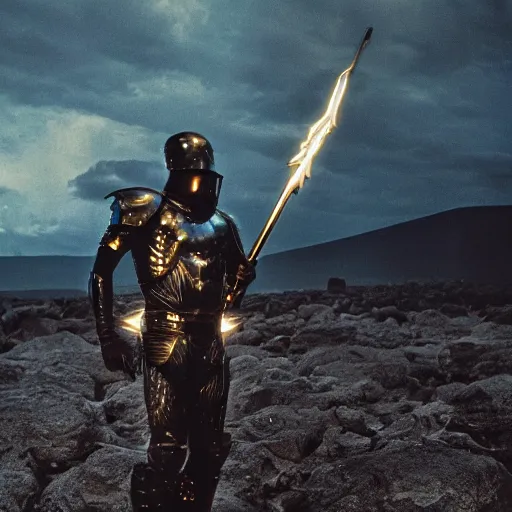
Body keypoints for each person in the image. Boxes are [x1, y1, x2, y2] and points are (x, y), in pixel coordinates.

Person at [88, 132, 256, 511]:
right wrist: (107, 335)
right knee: (167, 449)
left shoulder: (223, 225)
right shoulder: (143, 208)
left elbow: (227, 297)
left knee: (210, 448)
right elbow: (101, 273)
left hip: (211, 341)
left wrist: (241, 282)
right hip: (166, 338)